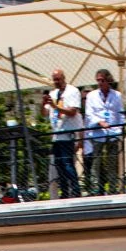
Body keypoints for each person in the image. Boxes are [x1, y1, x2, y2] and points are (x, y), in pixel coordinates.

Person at [82, 68, 124, 195]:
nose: (100, 83)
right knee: (97, 163)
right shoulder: (91, 96)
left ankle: (112, 189)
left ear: (108, 80)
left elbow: (120, 114)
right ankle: (98, 190)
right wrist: (99, 122)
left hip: (112, 133)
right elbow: (89, 114)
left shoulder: (117, 95)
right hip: (98, 133)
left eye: (102, 80)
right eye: (98, 80)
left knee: (112, 163)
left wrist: (119, 130)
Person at [42, 69, 83, 198]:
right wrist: (43, 104)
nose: (56, 82)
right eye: (54, 79)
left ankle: (76, 190)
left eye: (58, 79)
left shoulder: (73, 91)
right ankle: (64, 192)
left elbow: (72, 112)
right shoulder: (53, 93)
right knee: (59, 165)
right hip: (56, 134)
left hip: (67, 133)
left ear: (64, 78)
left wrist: (55, 106)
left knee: (67, 163)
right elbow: (44, 113)